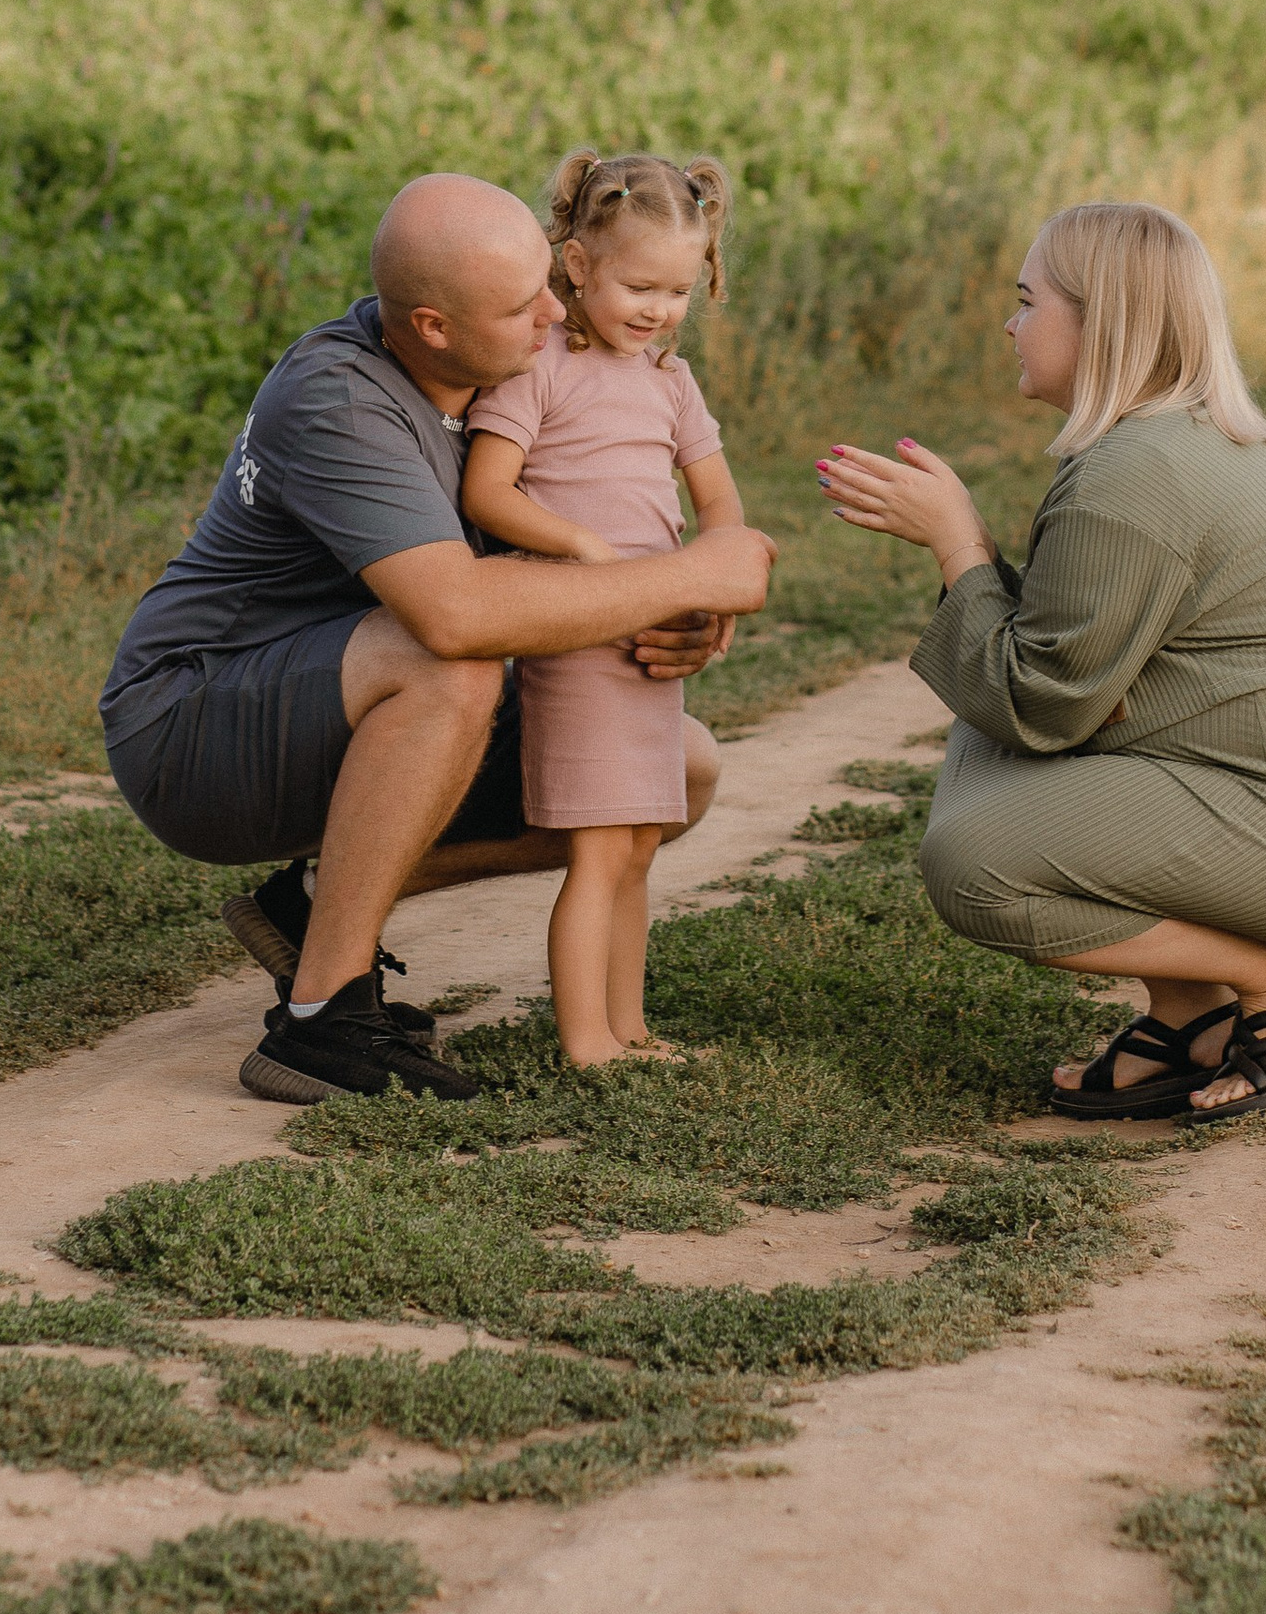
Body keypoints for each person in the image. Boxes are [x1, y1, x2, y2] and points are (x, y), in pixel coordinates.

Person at [99, 172, 776, 1106]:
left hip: (337, 694)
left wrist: (666, 619)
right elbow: (456, 614)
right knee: (448, 663)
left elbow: (577, 553)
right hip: (193, 724)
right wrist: (693, 574)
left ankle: (310, 911)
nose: (552, 313)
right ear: (430, 326)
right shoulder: (339, 398)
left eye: (549, 282)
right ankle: (320, 1025)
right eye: (518, 305)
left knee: (680, 772)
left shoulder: (505, 378)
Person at [815, 198, 1266, 1124]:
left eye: (1029, 301)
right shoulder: (1162, 442)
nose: (1010, 324)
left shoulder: (1135, 475)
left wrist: (958, 546)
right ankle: (1188, 1013)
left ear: (1099, 320)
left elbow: (1040, 704)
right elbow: (1056, 672)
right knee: (990, 736)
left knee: (976, 861)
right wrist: (978, 568)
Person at [462, 149, 748, 1068]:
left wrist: (715, 574)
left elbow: (722, 503)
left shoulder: (670, 378)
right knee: (594, 853)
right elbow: (488, 491)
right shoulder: (539, 365)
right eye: (638, 284)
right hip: (577, 639)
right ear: (577, 266)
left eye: (678, 289)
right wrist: (583, 550)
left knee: (636, 850)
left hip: (650, 643)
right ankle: (587, 1042)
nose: (658, 308)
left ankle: (630, 1030)